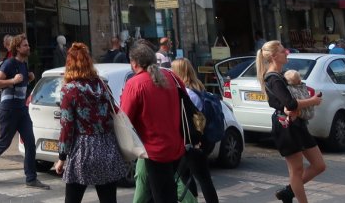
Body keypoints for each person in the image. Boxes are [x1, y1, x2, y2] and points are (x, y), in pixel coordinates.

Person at [54, 42, 130, 203]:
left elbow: (67, 126)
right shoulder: (102, 85)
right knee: (108, 199)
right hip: (107, 147)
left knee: (73, 198)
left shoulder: (69, 90)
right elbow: (113, 113)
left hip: (83, 149)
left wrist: (62, 157)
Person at [0, 33, 49, 190]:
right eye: (25, 45)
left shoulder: (24, 64)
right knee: (4, 142)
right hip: (8, 109)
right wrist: (13, 80)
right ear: (17, 48)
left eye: (28, 45)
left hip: (21, 109)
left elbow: (21, 84)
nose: (28, 47)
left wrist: (28, 78)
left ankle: (31, 178)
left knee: (30, 142)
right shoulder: (9, 64)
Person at [257, 40, 325, 203]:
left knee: (319, 165)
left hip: (297, 123)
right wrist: (312, 101)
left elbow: (281, 102)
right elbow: (291, 103)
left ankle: (289, 191)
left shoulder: (282, 75)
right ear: (273, 56)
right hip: (286, 126)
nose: (286, 53)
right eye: (282, 51)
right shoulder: (273, 78)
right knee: (296, 170)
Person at [121, 41, 184, 203]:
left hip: (153, 150)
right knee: (163, 193)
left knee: (161, 196)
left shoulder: (135, 84)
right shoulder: (171, 77)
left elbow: (124, 120)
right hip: (176, 146)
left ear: (134, 63)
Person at [171, 58, 220, 203]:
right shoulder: (198, 88)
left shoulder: (186, 93)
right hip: (202, 140)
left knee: (192, 176)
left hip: (192, 142)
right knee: (199, 177)